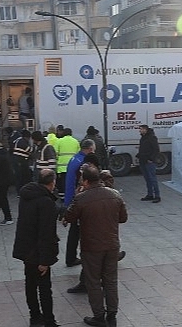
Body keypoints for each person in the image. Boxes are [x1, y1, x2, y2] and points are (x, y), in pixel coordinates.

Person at [64, 164, 128, 327]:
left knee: (93, 282)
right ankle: (112, 313)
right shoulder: (115, 194)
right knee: (110, 280)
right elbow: (123, 218)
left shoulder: (82, 198)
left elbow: (69, 217)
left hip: (91, 246)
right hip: (112, 244)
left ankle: (99, 316)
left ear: (85, 180)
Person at [12, 169, 61, 327]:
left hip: (26, 249)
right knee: (45, 289)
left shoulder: (27, 195)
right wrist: (45, 260)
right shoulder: (46, 202)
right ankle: (49, 321)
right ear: (52, 183)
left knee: (30, 284)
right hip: (38, 252)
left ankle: (34, 317)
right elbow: (46, 232)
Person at [64, 139, 95, 268]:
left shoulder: (74, 159)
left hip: (72, 197)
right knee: (84, 231)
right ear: (89, 149)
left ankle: (70, 258)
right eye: (93, 149)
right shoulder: (84, 163)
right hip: (79, 199)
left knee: (74, 231)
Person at [136, 124, 162, 203]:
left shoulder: (152, 137)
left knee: (152, 179)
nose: (140, 131)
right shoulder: (143, 138)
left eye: (141, 129)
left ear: (145, 130)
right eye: (140, 129)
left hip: (149, 162)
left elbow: (156, 149)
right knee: (147, 179)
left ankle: (157, 196)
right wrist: (139, 155)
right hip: (143, 161)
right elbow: (143, 149)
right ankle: (150, 194)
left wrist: (151, 159)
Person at [54, 127, 80, 201]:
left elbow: (55, 153)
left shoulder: (59, 141)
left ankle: (62, 196)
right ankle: (72, 195)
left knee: (62, 182)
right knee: (72, 182)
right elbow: (78, 154)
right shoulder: (76, 141)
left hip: (62, 167)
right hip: (73, 166)